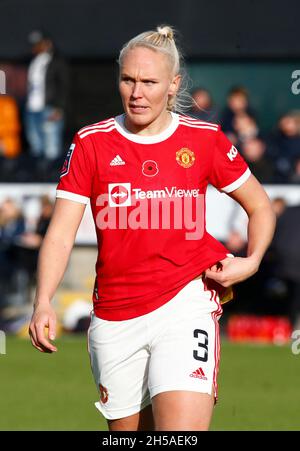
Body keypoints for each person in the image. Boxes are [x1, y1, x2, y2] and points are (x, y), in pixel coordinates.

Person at [29, 25, 276, 431]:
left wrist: (250, 261)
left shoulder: (204, 139)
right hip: (114, 316)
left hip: (186, 301)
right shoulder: (91, 143)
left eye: (149, 81)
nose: (136, 92)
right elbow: (60, 233)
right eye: (127, 79)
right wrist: (43, 301)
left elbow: (260, 205)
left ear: (173, 84)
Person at [25, 30, 69, 160]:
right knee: (34, 142)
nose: (35, 47)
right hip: (32, 108)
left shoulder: (57, 61)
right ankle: (38, 174)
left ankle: (51, 174)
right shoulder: (33, 61)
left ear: (47, 43)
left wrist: (59, 107)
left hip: (50, 108)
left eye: (39, 44)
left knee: (51, 144)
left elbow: (64, 86)